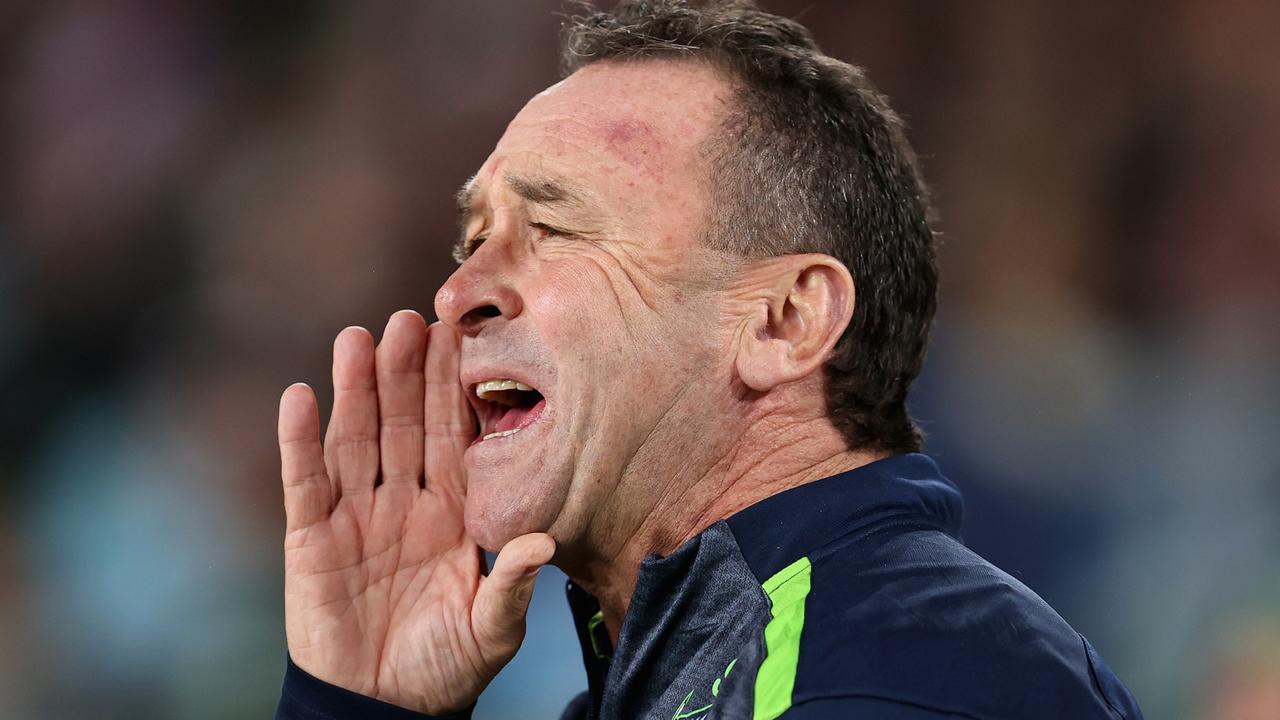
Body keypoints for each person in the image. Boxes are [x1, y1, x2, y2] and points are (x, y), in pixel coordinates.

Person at [274, 1, 1143, 718]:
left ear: (784, 320)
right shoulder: (680, 682)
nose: (459, 293)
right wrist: (363, 706)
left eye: (553, 229)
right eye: (472, 239)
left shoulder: (906, 676)